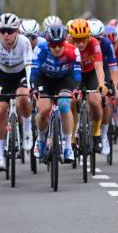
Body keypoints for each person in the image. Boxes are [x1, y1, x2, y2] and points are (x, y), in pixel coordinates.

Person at [0, 13, 33, 171]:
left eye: (10, 31)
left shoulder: (25, 42)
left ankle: (27, 130)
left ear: (17, 31)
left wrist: (29, 86)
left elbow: (28, 66)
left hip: (21, 74)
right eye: (2, 30)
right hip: (3, 75)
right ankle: (0, 154)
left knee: (23, 97)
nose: (6, 34)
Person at [31, 24, 81, 162]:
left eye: (60, 44)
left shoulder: (73, 51)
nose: (57, 48)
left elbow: (77, 74)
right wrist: (34, 89)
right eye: (53, 45)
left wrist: (76, 89)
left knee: (64, 104)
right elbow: (34, 72)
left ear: (65, 42)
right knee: (44, 108)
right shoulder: (40, 50)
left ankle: (67, 146)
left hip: (65, 79)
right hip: (44, 79)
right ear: (48, 43)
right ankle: (40, 140)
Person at [68, 19, 107, 153]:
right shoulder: (67, 44)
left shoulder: (94, 43)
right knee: (72, 101)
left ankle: (96, 133)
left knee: (95, 100)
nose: (80, 44)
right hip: (74, 73)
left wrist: (101, 84)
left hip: (90, 74)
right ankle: (72, 138)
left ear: (89, 36)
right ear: (71, 38)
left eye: (83, 39)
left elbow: (99, 67)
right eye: (76, 40)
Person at [89, 19, 118, 155]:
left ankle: (104, 135)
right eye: (92, 38)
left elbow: (113, 67)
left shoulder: (106, 44)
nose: (96, 41)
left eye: (99, 39)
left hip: (102, 68)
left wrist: (115, 86)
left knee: (106, 100)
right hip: (85, 70)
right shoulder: (80, 43)